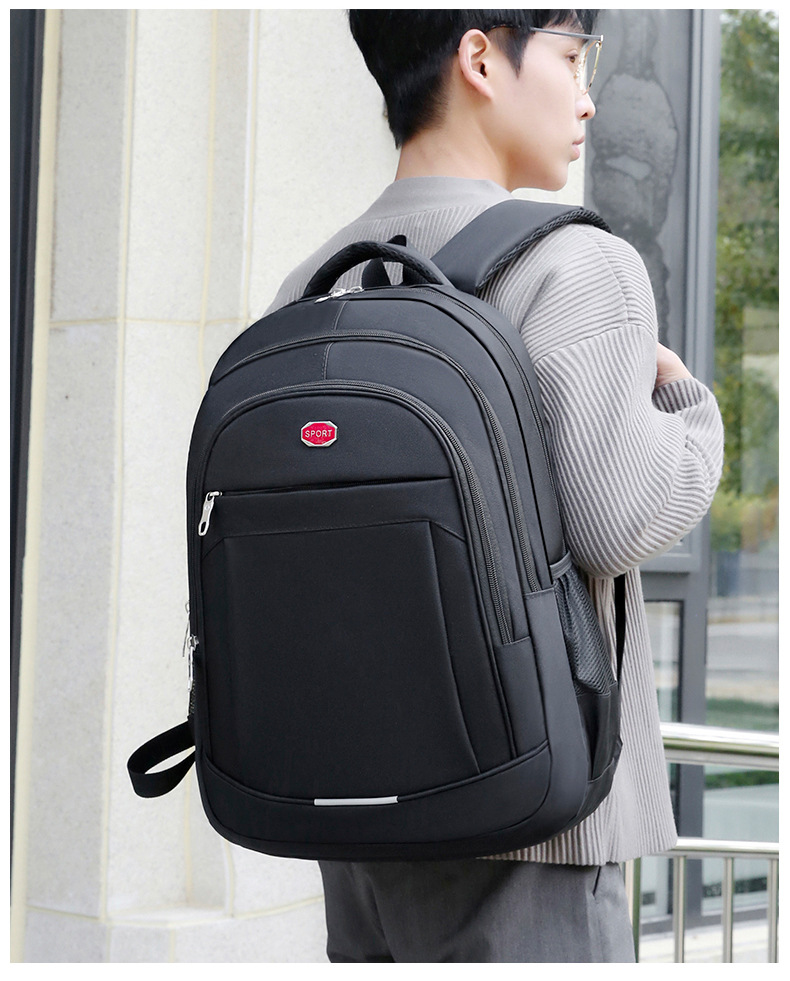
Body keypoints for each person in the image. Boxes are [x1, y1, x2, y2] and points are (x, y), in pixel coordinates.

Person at [264, 10, 724, 963]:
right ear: (480, 57)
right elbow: (619, 518)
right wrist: (689, 411)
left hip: (354, 827)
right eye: (572, 56)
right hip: (529, 829)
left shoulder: (309, 286)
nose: (587, 97)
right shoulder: (575, 263)